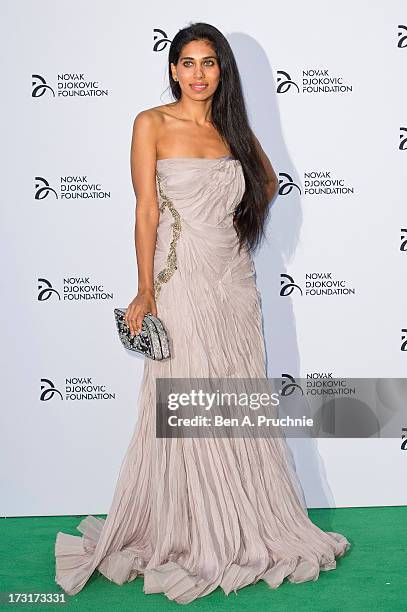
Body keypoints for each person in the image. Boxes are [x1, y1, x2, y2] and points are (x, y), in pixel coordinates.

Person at [54, 22, 350, 605]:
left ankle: (247, 521)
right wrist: (144, 291)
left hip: (233, 280)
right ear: (172, 69)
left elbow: (265, 180)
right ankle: (189, 526)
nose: (197, 74)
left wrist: (233, 222)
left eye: (209, 63)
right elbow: (144, 212)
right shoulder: (151, 124)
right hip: (180, 280)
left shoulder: (233, 128)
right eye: (187, 63)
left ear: (222, 70)